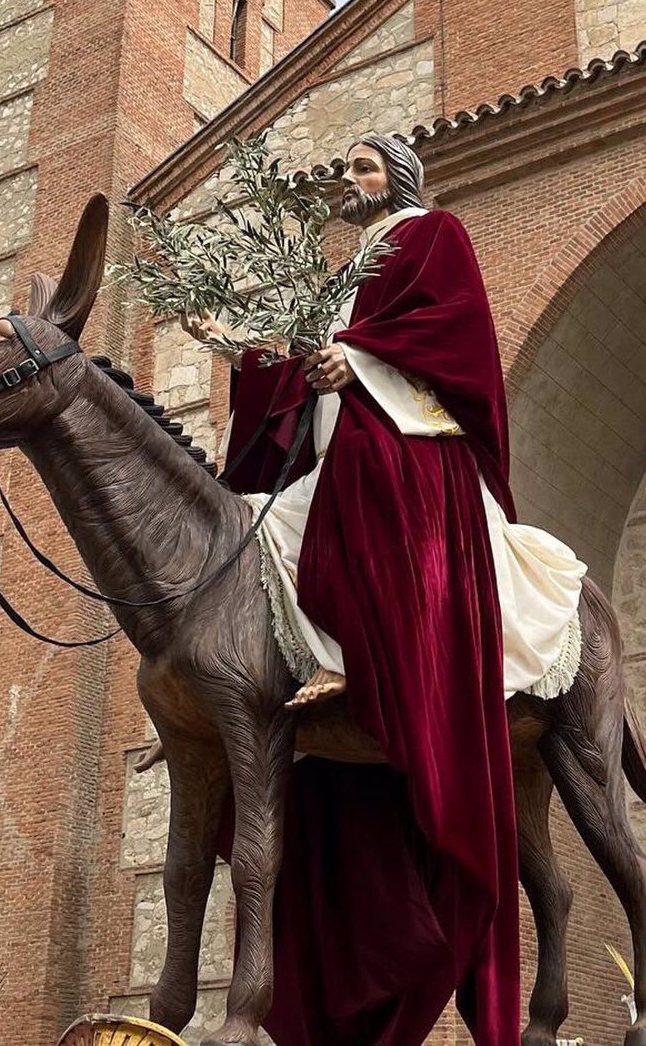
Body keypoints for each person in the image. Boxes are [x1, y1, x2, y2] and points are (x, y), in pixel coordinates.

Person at [184, 133, 587, 1046]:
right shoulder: (348, 273)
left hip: (411, 445)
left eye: (365, 168)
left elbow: (449, 336)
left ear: (397, 178)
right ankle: (259, 669)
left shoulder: (431, 234)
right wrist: (239, 349)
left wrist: (357, 366)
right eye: (349, 170)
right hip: (343, 442)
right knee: (256, 525)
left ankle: (362, 666)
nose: (351, 181)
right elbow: (311, 373)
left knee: (354, 487)